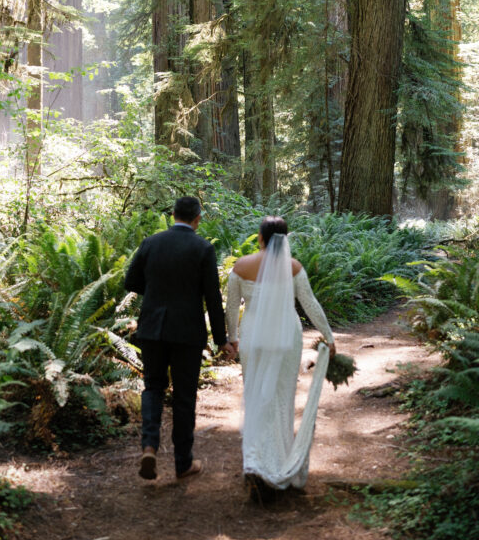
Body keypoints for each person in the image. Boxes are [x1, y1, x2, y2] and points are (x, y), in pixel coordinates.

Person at [125, 196, 234, 481]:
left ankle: (149, 446)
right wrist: (222, 340)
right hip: (187, 332)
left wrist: (157, 290)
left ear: (172, 214)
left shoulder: (151, 243)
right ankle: (183, 463)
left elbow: (131, 282)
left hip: (152, 329)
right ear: (198, 218)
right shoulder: (203, 248)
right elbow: (212, 297)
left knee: (152, 388)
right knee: (184, 397)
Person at [226, 215, 335, 492]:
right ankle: (280, 459)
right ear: (285, 239)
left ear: (260, 238)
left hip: (253, 338)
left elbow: (230, 308)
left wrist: (232, 339)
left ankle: (253, 461)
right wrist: (329, 336)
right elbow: (310, 304)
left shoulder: (241, 266)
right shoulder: (294, 267)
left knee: (254, 396)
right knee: (283, 399)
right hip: (287, 338)